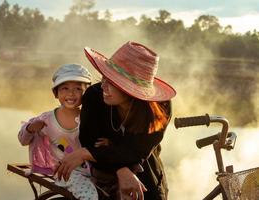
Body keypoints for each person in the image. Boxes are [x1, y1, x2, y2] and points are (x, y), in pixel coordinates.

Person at [55, 41, 176, 200]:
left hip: (144, 165)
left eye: (112, 82)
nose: (103, 86)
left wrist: (86, 153)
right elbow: (89, 140)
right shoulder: (94, 95)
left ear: (132, 90)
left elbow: (137, 152)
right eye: (104, 77)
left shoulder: (159, 109)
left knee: (147, 193)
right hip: (100, 165)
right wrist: (121, 169)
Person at [18, 64, 99, 200]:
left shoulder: (90, 118)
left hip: (93, 168)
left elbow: (100, 139)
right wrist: (30, 128)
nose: (71, 93)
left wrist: (106, 141)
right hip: (67, 171)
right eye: (65, 88)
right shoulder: (47, 120)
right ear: (56, 93)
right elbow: (23, 140)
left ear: (86, 93)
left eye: (78, 89)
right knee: (89, 196)